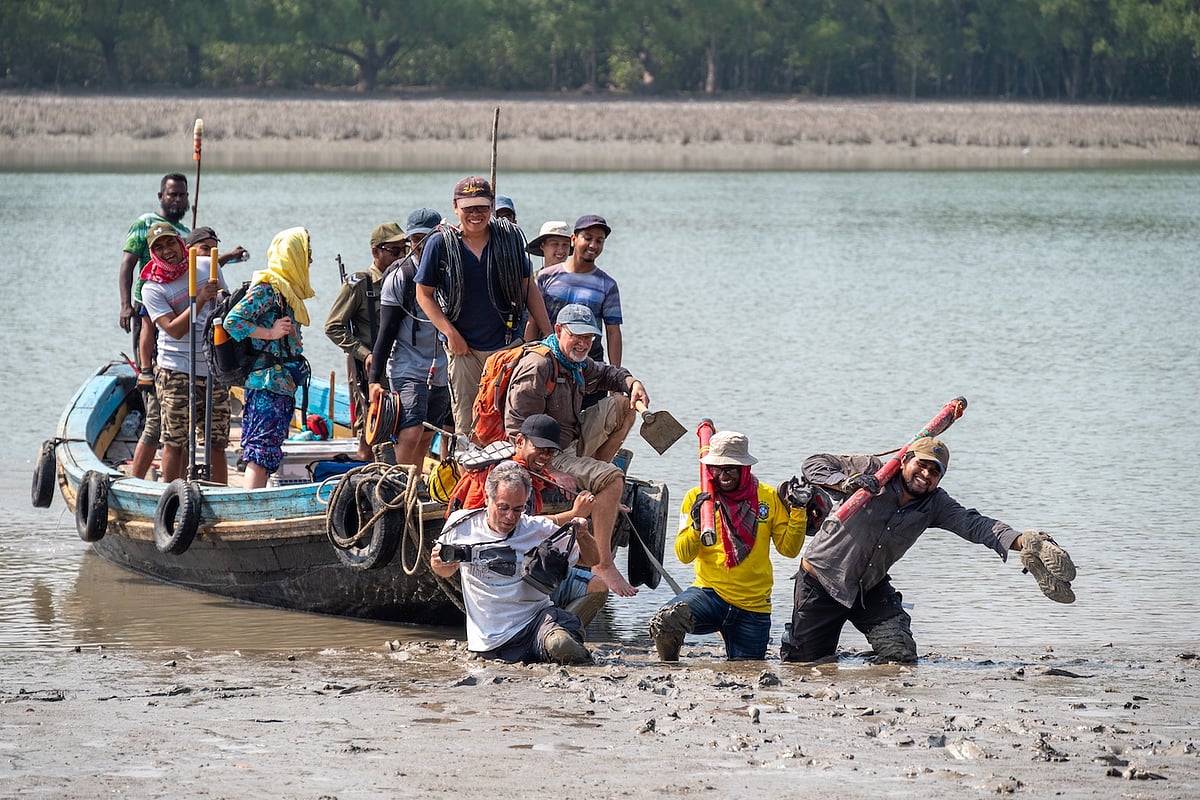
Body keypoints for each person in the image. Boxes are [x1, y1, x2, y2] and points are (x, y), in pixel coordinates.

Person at [779, 436, 1077, 664]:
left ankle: (869, 672)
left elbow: (975, 524)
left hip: (869, 585)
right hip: (823, 580)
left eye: (935, 471)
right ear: (906, 460)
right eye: (921, 464)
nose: (926, 474)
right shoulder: (873, 470)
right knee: (804, 663)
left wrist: (1020, 540)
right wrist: (846, 482)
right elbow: (814, 464)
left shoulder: (935, 503)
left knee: (901, 655)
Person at [505, 303, 648, 597]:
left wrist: (632, 383)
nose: (583, 344)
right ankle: (603, 563)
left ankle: (595, 490)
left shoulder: (574, 362)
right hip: (548, 453)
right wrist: (552, 470)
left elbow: (609, 374)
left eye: (589, 338)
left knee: (623, 406)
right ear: (559, 332)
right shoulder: (539, 367)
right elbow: (516, 432)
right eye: (577, 336)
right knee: (612, 477)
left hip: (571, 439)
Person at [648, 431, 806, 661]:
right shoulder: (697, 498)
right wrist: (696, 525)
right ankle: (669, 665)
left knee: (748, 672)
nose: (723, 475)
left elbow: (789, 550)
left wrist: (798, 511)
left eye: (730, 468)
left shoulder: (768, 497)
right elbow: (683, 555)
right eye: (716, 468)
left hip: (753, 606)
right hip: (709, 596)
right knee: (665, 620)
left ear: (745, 469)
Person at [415, 176, 552, 437]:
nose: (475, 215)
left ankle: (511, 476)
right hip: (464, 350)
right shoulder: (440, 244)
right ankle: (471, 475)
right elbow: (424, 294)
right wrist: (451, 334)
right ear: (456, 208)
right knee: (468, 427)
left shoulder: (509, 239)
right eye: (468, 208)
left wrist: (548, 335)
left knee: (512, 421)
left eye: (482, 207)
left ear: (491, 206)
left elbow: (528, 288)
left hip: (508, 344)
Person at [445, 414, 608, 625]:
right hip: (499, 571)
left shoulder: (535, 478)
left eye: (550, 451)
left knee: (594, 584)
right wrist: (573, 514)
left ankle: (563, 628)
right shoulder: (511, 476)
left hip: (524, 565)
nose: (545, 456)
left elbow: (530, 526)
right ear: (520, 441)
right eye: (539, 448)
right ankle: (553, 627)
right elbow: (520, 526)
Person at [431, 460, 599, 665]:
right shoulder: (461, 524)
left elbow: (591, 559)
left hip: (535, 623)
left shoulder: (536, 528)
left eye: (518, 509)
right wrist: (440, 566)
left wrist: (583, 534)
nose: (510, 517)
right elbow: (444, 569)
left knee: (561, 645)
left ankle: (567, 635)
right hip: (488, 642)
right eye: (503, 508)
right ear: (487, 498)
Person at [222, 228, 314, 489]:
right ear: (291, 256)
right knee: (261, 451)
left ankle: (254, 499)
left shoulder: (286, 291)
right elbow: (233, 322)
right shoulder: (267, 288)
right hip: (267, 383)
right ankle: (250, 504)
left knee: (267, 448)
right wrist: (270, 333)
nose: (310, 261)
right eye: (306, 254)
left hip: (280, 383)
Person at [139, 222, 231, 484]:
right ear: (153, 252)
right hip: (176, 368)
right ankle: (173, 498)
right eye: (159, 247)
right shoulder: (151, 287)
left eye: (170, 242)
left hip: (213, 367)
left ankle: (221, 496)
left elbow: (225, 305)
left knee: (216, 442)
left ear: (180, 243)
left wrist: (223, 300)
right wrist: (200, 299)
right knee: (175, 441)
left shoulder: (206, 266)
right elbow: (173, 329)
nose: (167, 250)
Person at [118, 174, 190, 480]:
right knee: (157, 415)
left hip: (180, 323)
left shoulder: (184, 234)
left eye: (181, 195)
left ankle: (180, 480)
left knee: (178, 417)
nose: (176, 200)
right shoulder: (145, 224)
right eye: (171, 195)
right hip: (149, 313)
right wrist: (124, 305)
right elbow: (127, 265)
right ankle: (138, 481)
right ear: (160, 196)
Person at [369, 210, 449, 469]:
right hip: (408, 365)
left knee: (428, 433)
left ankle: (414, 485)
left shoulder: (452, 271)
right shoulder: (399, 276)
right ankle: (398, 489)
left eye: (426, 239)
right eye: (414, 240)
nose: (420, 246)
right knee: (411, 430)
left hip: (442, 367)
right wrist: (374, 380)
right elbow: (386, 331)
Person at [326, 222, 407, 461]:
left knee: (401, 429)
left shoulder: (406, 280)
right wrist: (364, 354)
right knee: (369, 432)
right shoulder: (360, 284)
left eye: (404, 250)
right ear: (376, 251)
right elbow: (333, 326)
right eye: (394, 251)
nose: (400, 256)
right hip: (369, 369)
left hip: (401, 365)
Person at [527, 215, 623, 408]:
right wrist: (527, 359)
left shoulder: (607, 284)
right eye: (588, 238)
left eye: (599, 240)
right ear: (574, 239)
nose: (593, 245)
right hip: (549, 364)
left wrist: (615, 380)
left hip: (589, 366)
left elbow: (613, 333)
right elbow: (533, 321)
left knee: (591, 429)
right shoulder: (546, 277)